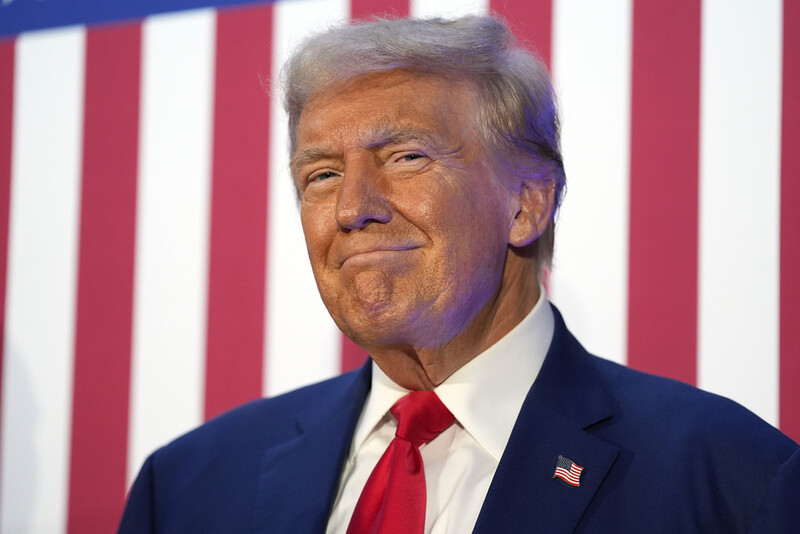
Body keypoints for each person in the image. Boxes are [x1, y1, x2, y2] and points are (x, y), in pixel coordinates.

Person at [118, 15, 799, 534]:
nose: (353, 208)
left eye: (406, 157)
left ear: (527, 203)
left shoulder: (735, 483)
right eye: (321, 174)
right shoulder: (187, 490)